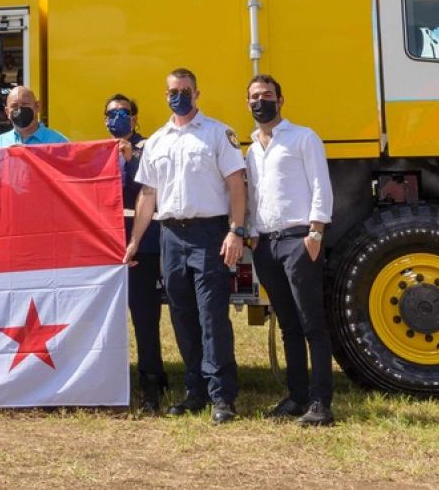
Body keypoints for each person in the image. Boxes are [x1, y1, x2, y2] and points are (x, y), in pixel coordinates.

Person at [124, 68, 246, 425]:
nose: (179, 95)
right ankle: (195, 392)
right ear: (165, 96)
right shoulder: (157, 141)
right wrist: (134, 241)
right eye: (173, 91)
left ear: (197, 92)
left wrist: (236, 231)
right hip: (170, 236)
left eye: (186, 90)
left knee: (212, 315)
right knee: (181, 315)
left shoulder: (217, 134)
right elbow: (148, 195)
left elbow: (236, 185)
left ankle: (221, 395)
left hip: (209, 233)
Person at [243, 75, 335, 427]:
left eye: (266, 95)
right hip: (266, 244)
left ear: (281, 100)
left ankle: (321, 403)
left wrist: (315, 231)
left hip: (299, 240)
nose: (259, 101)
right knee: (288, 326)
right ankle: (297, 397)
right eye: (253, 96)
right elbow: (253, 197)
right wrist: (251, 233)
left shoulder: (303, 137)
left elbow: (319, 185)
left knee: (312, 324)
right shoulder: (252, 148)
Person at [109, 93, 168, 414]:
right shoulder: (100, 152)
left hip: (142, 245)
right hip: (108, 247)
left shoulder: (147, 148)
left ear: (134, 117)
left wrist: (131, 159)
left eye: (122, 113)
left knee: (145, 317)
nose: (115, 119)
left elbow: (148, 189)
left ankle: (152, 383)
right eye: (110, 114)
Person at [0, 85, 69, 149]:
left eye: (25, 104)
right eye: (14, 106)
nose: (20, 109)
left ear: (37, 107)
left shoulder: (58, 142)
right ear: (7, 112)